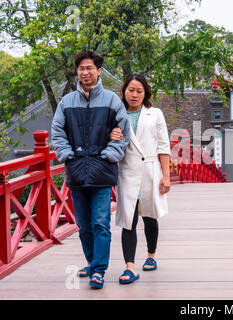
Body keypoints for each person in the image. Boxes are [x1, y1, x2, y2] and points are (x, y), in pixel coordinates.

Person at [51, 50, 130, 289]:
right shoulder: (67, 102)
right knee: (83, 225)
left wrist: (108, 156)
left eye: (89, 68)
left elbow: (123, 133)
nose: (85, 72)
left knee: (100, 223)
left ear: (98, 71)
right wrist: (68, 156)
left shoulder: (111, 101)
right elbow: (57, 132)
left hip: (102, 172)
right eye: (81, 68)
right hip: (76, 171)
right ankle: (91, 261)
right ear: (78, 72)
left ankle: (98, 271)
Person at [109, 72, 171, 284]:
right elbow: (108, 143)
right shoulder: (116, 115)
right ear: (123, 91)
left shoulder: (155, 114)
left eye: (139, 91)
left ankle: (151, 255)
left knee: (149, 215)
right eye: (130, 90)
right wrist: (111, 136)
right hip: (126, 171)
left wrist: (166, 176)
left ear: (145, 93)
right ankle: (129, 267)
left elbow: (163, 145)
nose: (134, 95)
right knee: (129, 219)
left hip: (150, 168)